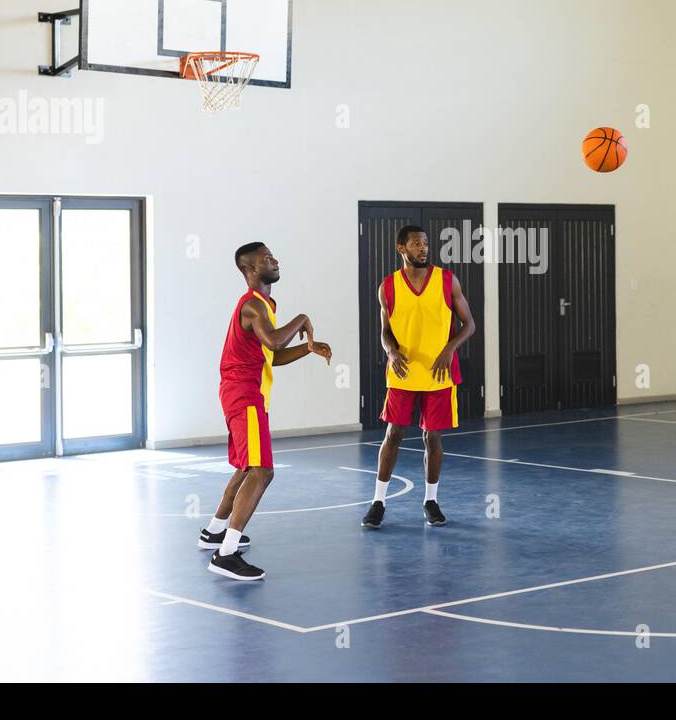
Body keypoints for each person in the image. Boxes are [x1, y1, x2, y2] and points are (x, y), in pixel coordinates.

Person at [203, 242, 331, 581]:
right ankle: (225, 554)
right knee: (262, 471)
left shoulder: (265, 306)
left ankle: (215, 531)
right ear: (249, 270)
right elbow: (274, 342)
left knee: (247, 469)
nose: (275, 261)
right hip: (243, 395)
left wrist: (308, 348)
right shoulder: (252, 306)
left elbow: (272, 354)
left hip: (243, 393)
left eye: (273, 256)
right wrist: (302, 318)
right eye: (266, 259)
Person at [362, 225, 476, 529]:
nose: (423, 248)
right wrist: (390, 351)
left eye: (425, 244)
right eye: (416, 244)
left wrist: (450, 349)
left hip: (439, 373)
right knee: (393, 435)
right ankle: (378, 502)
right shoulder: (388, 286)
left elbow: (470, 324)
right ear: (402, 248)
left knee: (432, 437)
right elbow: (386, 331)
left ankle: (430, 500)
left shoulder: (447, 281)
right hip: (402, 373)